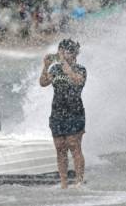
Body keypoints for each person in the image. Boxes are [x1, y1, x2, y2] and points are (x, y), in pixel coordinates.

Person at [39, 39, 87, 189]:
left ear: (73, 53)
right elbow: (43, 82)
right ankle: (64, 183)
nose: (62, 55)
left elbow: (76, 80)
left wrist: (64, 63)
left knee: (74, 145)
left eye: (64, 51)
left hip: (75, 112)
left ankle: (79, 181)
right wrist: (46, 66)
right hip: (57, 112)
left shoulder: (80, 69)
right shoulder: (55, 69)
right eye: (60, 51)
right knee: (60, 148)